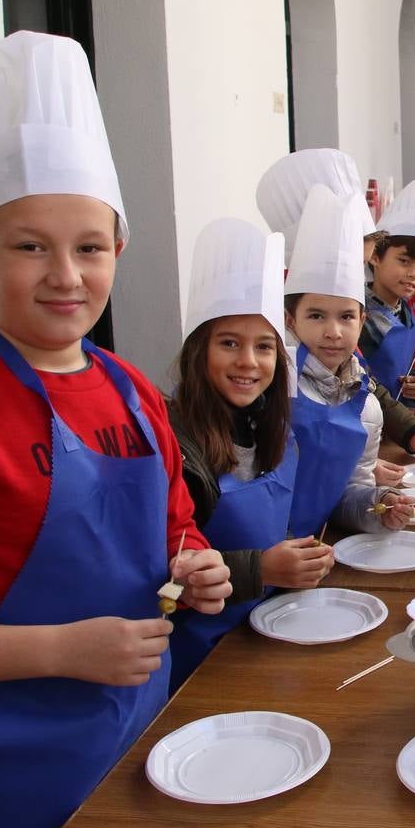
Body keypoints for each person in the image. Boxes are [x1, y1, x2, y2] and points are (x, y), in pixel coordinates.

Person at [0, 31, 231, 828]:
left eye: (89, 247)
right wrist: (59, 652)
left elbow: (174, 525)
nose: (66, 276)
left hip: (135, 722)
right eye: (30, 247)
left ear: (119, 251)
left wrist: (197, 564)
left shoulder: (133, 392)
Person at [165, 219, 319, 692]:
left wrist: (297, 555)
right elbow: (161, 573)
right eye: (229, 343)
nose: (248, 361)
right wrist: (262, 568)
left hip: (267, 631)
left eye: (264, 347)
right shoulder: (174, 444)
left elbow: (272, 526)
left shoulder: (271, 429)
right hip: (199, 661)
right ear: (199, 350)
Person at [256, 149, 415, 484]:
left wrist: (405, 432)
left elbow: (362, 382)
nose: (357, 278)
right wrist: (348, 465)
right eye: (357, 263)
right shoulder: (271, 331)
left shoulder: (338, 325)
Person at [284, 183, 415, 538]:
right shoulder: (274, 387)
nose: (333, 332)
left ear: (362, 321)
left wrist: (379, 504)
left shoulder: (367, 405)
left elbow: (345, 494)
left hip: (318, 551)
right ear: (290, 320)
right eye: (316, 316)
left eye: (346, 317)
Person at [362, 178, 415, 410]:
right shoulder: (359, 315)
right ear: (375, 257)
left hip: (396, 420)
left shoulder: (405, 312)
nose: (413, 274)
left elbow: (400, 368)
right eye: (404, 261)